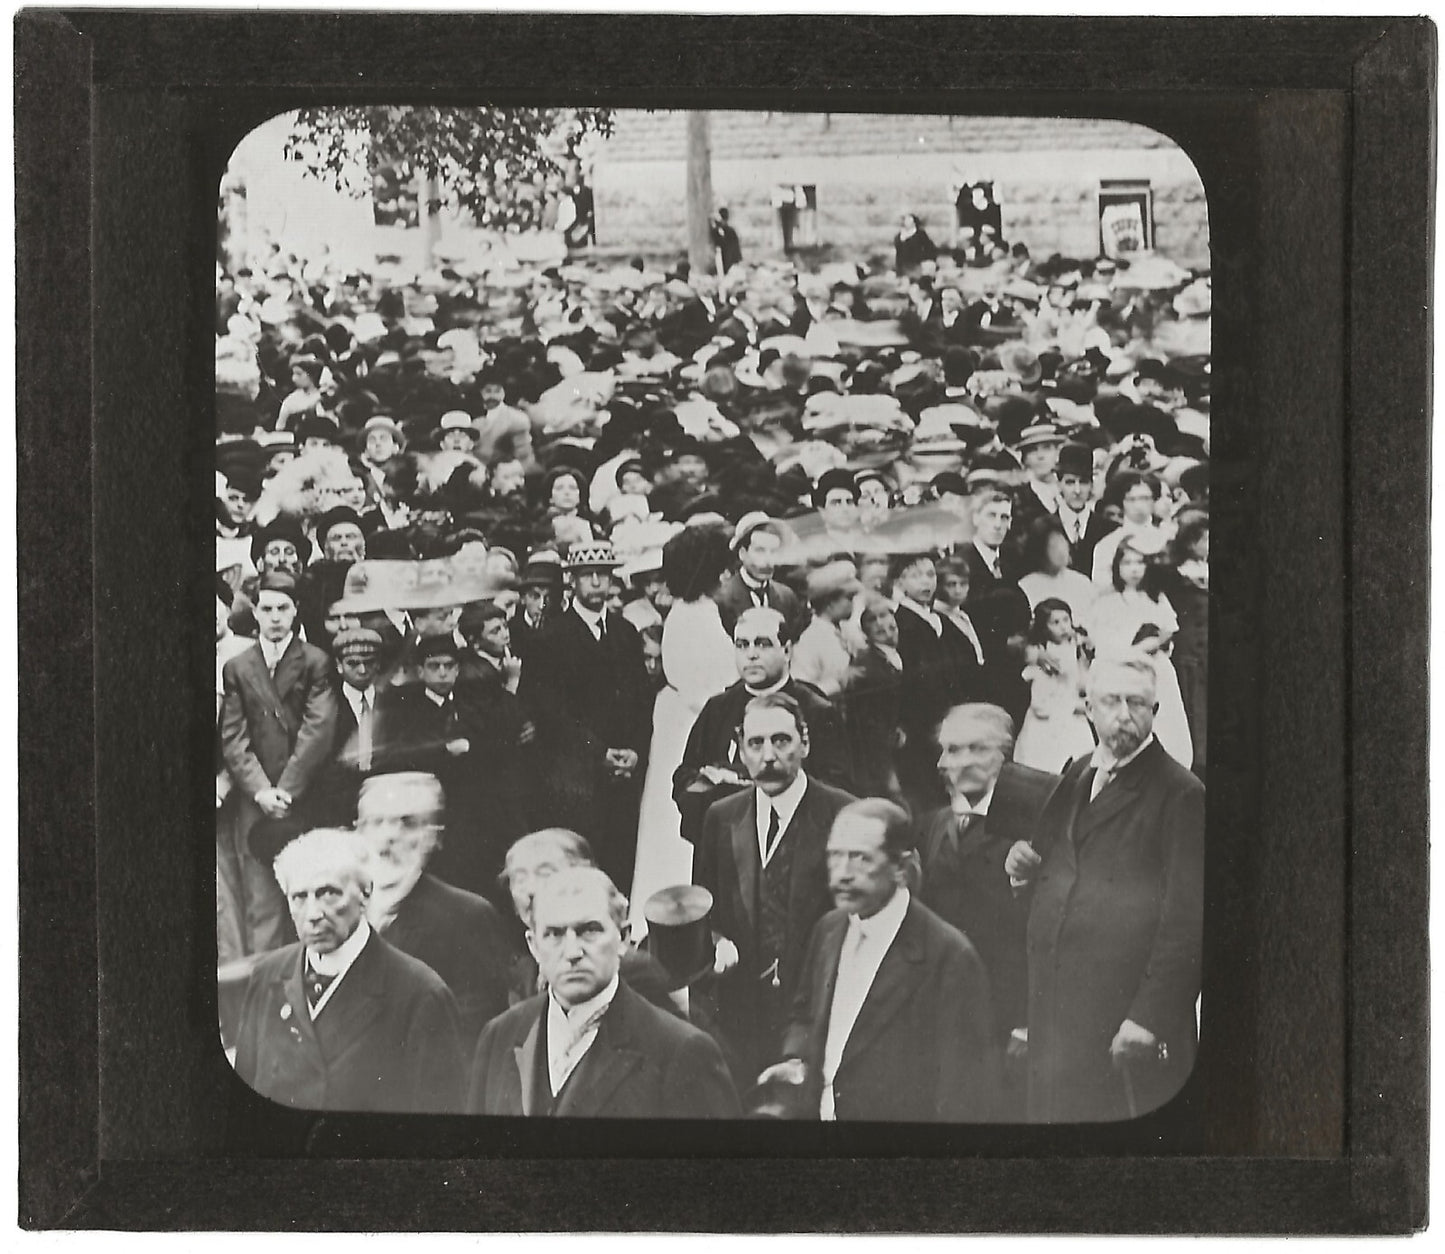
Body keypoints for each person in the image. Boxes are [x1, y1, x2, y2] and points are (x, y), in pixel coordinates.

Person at [1005, 654, 1204, 1123]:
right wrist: (1021, 869)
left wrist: (1149, 1019)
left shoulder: (1181, 793)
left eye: (1137, 703)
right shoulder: (1077, 772)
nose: (1123, 714)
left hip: (1121, 1020)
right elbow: (1055, 866)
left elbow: (1189, 920)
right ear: (1088, 708)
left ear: (1155, 712)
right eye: (1111, 701)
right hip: (1056, 1010)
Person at [760, 799, 998, 1122]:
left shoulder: (948, 957)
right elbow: (804, 1014)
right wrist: (796, 1061)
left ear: (900, 868)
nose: (842, 874)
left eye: (860, 858)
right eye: (835, 856)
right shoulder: (829, 930)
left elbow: (962, 1098)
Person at [466, 867, 740, 1118]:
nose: (572, 952)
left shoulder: (680, 1050)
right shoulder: (499, 1035)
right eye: (554, 934)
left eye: (589, 931)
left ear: (622, 938)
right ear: (533, 945)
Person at [233, 828, 466, 1113]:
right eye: (299, 897)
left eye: (328, 893)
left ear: (365, 892)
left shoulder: (419, 993)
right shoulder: (268, 976)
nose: (313, 914)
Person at [694, 693, 855, 1088]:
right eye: (755, 743)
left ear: (805, 742)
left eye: (781, 741)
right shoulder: (721, 817)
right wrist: (716, 942)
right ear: (740, 749)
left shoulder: (844, 815)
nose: (768, 755)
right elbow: (704, 909)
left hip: (817, 1013)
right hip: (740, 1015)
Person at [915, 704, 1056, 1114]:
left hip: (1011, 1020)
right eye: (946, 750)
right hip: (946, 1018)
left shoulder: (1039, 828)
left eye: (966, 749)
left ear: (1002, 757)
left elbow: (1046, 934)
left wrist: (1030, 1022)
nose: (948, 762)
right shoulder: (932, 825)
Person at [521, 541, 653, 894]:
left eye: (603, 576)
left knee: (623, 859)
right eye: (587, 576)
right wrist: (598, 753)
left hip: (624, 774)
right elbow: (549, 710)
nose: (596, 583)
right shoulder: (550, 637)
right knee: (582, 860)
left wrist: (636, 751)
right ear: (573, 582)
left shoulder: (625, 633)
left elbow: (642, 700)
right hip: (575, 775)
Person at [218, 572, 338, 957]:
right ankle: (261, 994)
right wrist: (261, 791)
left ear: (296, 611)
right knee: (261, 903)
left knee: (314, 896)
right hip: (257, 802)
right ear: (254, 612)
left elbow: (318, 730)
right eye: (266, 609)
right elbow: (234, 737)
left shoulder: (316, 661)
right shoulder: (238, 666)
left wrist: (285, 790)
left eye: (282, 608)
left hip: (302, 797)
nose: (274, 617)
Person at [631, 524, 738, 930]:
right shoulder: (696, 620)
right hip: (693, 731)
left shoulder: (690, 614)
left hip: (683, 724)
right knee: (678, 831)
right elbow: (709, 688)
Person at [354, 772, 511, 1049]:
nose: (389, 836)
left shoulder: (467, 916)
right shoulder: (335, 911)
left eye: (408, 823)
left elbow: (475, 1033)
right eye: (376, 822)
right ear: (358, 832)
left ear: (434, 837)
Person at [672, 606, 853, 845]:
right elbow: (685, 775)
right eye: (742, 645)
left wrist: (744, 783)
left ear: (787, 650)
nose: (751, 654)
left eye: (763, 644)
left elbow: (835, 787)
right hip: (726, 845)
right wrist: (713, 786)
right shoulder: (718, 708)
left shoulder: (817, 711)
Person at [1081, 539, 1193, 769]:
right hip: (1121, 671)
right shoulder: (1107, 602)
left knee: (1165, 724)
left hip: (1156, 672)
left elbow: (1166, 633)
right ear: (1117, 567)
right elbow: (1103, 644)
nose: (1133, 569)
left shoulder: (1156, 599)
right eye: (1127, 563)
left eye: (1139, 562)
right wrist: (1136, 649)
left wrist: (1156, 642)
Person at [890, 553, 982, 814]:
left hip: (947, 715)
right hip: (923, 722)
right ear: (900, 581)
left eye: (930, 575)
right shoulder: (903, 623)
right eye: (915, 575)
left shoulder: (939, 620)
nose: (925, 582)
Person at [1014, 599, 1095, 774]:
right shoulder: (1043, 653)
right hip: (1047, 710)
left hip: (1072, 709)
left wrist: (1083, 654)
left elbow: (1081, 681)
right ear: (1044, 627)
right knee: (1044, 761)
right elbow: (1040, 688)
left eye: (1066, 620)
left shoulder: (1075, 648)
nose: (1063, 627)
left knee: (1079, 756)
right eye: (1055, 623)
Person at [841, 596, 905, 805]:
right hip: (881, 757)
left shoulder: (897, 656)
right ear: (865, 632)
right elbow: (868, 723)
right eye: (873, 620)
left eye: (885, 616)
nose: (881, 623)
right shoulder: (867, 666)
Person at [715, 513, 804, 638]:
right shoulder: (722, 599)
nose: (768, 561)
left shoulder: (787, 598)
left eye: (774, 552)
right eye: (760, 550)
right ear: (742, 553)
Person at [791, 560, 861, 699]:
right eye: (848, 598)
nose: (852, 604)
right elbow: (803, 692)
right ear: (830, 602)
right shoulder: (811, 639)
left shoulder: (846, 631)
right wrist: (838, 683)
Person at [1017, 514, 1097, 623]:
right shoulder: (1026, 587)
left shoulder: (1082, 582)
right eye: (1053, 546)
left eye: (1063, 543)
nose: (1061, 551)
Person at [710, 206, 743, 275]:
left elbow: (720, 242)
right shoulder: (728, 230)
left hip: (730, 259)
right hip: (731, 259)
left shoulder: (728, 231)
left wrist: (714, 229)